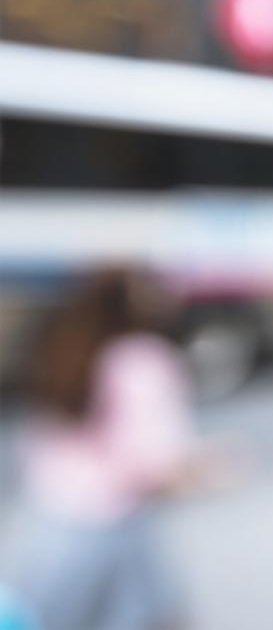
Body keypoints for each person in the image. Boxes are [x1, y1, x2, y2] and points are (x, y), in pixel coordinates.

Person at [11, 269, 200, 630]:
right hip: (116, 527)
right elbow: (158, 463)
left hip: (53, 524)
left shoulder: (62, 348)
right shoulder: (143, 358)